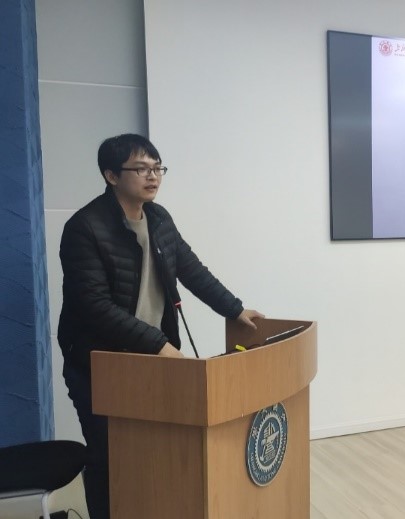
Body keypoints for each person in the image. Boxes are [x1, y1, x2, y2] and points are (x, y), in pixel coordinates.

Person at [57, 133, 264, 519]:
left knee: (157, 449)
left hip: (151, 359)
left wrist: (234, 310)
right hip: (99, 363)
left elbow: (191, 269)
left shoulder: (159, 219)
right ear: (111, 176)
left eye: (157, 168)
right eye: (141, 169)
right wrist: (158, 344)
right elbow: (95, 306)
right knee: (108, 456)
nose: (152, 176)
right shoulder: (85, 227)